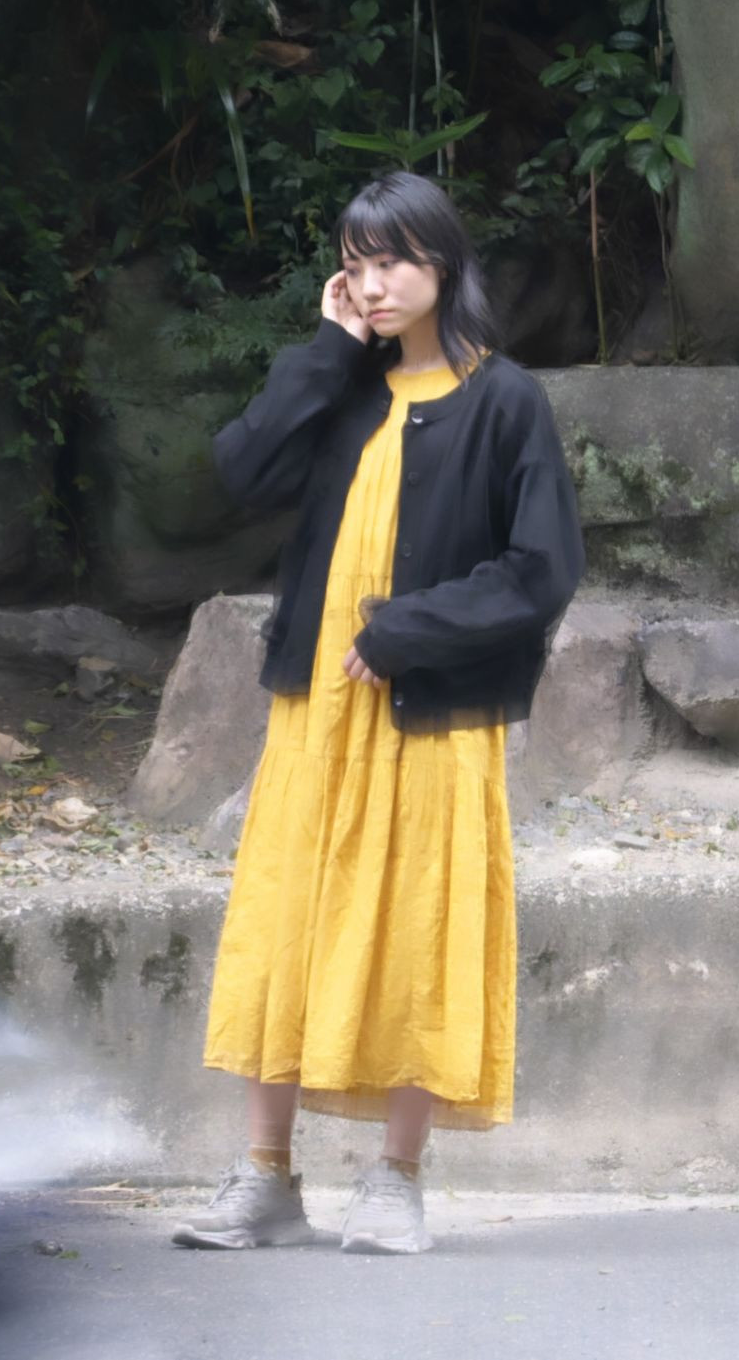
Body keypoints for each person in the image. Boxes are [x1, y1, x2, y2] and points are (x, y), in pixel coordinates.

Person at [168, 169, 585, 1258]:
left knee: (418, 930)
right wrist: (327, 348)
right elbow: (240, 471)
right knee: (286, 921)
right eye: (356, 264)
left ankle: (397, 1178)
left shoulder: (505, 401)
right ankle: (264, 1176)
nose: (374, 282)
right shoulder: (340, 385)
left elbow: (542, 568)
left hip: (431, 710)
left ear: (443, 263)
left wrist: (408, 630)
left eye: (394, 260)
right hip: (315, 709)